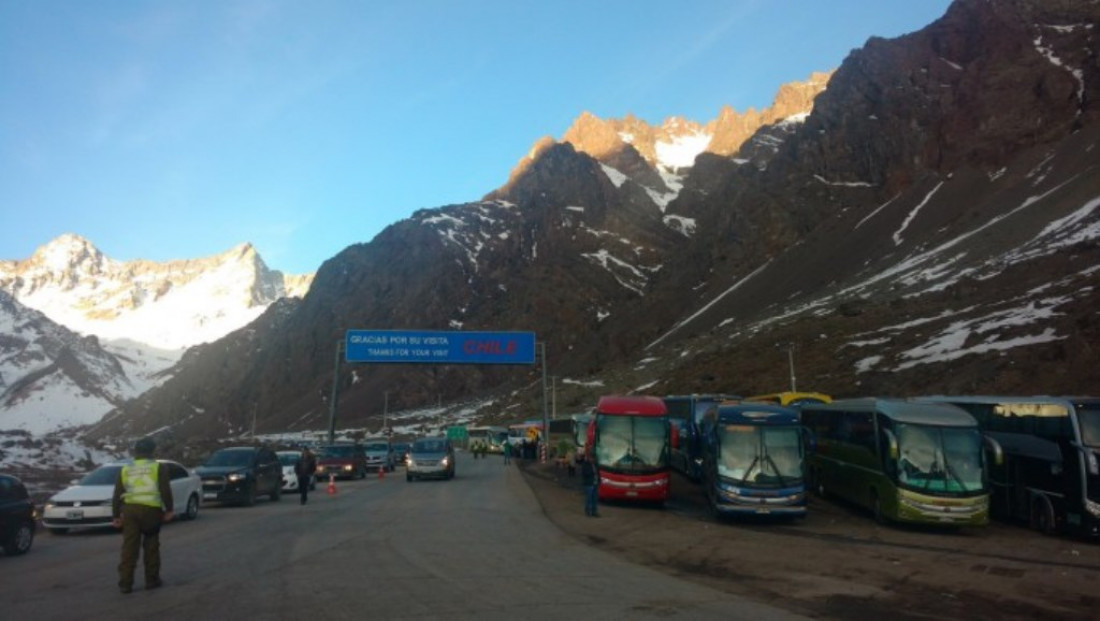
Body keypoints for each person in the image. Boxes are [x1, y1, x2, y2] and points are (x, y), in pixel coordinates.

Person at [111, 437, 174, 594]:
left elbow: (117, 493)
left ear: (136, 452)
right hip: (151, 510)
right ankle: (152, 580)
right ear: (152, 451)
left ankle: (126, 583)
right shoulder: (158, 467)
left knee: (129, 547)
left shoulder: (125, 469)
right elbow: (165, 490)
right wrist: (169, 509)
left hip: (130, 510)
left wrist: (116, 515)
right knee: (151, 545)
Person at [579, 452, 598, 517]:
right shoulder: (585, 464)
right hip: (589, 483)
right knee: (589, 498)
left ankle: (594, 511)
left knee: (594, 499)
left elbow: (598, 473)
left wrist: (599, 481)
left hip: (595, 483)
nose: (592, 459)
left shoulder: (595, 464)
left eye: (593, 458)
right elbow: (585, 473)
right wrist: (592, 471)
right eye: (591, 458)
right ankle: (588, 511)